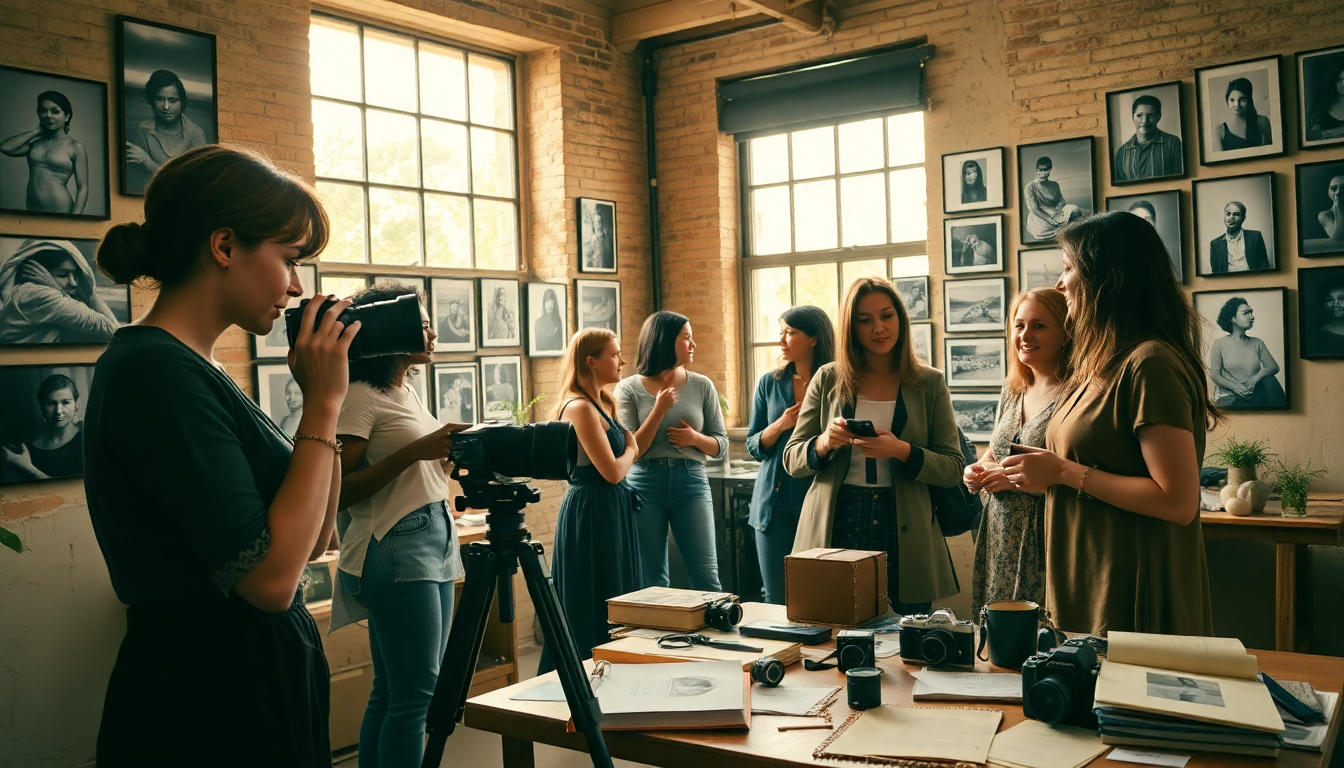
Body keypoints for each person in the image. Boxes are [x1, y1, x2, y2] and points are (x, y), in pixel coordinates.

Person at [83, 145, 348, 765]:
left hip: (246, 685)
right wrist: (323, 409)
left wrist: (329, 398)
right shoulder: (154, 371)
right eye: (288, 259)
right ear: (224, 246)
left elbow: (317, 540)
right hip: (208, 703)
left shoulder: (198, 367)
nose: (296, 286)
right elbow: (272, 582)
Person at [1000, 211, 1219, 636]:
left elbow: (1177, 501)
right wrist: (1042, 472)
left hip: (1133, 595)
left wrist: (1063, 471)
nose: (1060, 284)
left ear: (1108, 276)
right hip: (1082, 588)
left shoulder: (1150, 364)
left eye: (1068, 268)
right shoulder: (1098, 365)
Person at [330, 281, 467, 768]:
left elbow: (413, 469)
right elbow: (341, 489)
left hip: (433, 535)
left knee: (393, 691)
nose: (432, 333)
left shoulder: (404, 388)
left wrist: (445, 459)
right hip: (396, 544)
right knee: (416, 697)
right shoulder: (360, 397)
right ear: (391, 329)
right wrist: (420, 451)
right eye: (422, 323)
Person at [783, 278, 965, 614]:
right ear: (851, 328)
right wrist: (824, 443)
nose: (878, 328)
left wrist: (902, 450)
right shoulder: (828, 378)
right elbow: (792, 459)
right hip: (838, 518)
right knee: (832, 628)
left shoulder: (929, 382)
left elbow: (953, 467)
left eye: (886, 316)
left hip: (903, 523)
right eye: (864, 320)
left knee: (906, 636)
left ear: (901, 319)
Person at [540, 328, 642, 671]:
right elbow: (612, 471)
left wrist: (627, 454)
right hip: (592, 512)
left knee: (619, 593)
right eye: (614, 354)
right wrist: (632, 449)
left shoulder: (603, 402)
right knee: (593, 599)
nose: (622, 361)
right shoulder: (580, 407)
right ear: (591, 361)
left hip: (611, 509)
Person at [964, 289, 1068, 618]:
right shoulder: (1013, 389)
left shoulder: (1077, 392)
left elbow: (1075, 470)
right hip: (998, 534)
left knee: (1042, 636)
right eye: (1019, 325)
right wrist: (976, 470)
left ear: (1066, 331)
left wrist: (1012, 480)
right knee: (998, 640)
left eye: (1039, 326)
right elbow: (995, 454)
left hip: (1045, 536)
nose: (1025, 335)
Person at [615, 311, 728, 591]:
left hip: (691, 481)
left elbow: (721, 445)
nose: (693, 345)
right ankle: (653, 636)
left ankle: (711, 635)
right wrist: (659, 410)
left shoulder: (702, 385)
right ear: (666, 342)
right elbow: (633, 451)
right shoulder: (627, 389)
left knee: (707, 578)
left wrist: (694, 438)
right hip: (643, 485)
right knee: (651, 581)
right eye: (686, 338)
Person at [746, 306, 835, 604]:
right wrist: (781, 424)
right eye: (781, 332)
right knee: (776, 596)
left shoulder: (837, 381)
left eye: (789, 333)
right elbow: (753, 444)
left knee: (820, 593)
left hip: (821, 498)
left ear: (813, 338)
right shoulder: (770, 382)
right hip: (773, 500)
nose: (781, 340)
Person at [0, 239, 120, 344]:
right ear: (40, 272)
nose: (74, 283)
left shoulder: (26, 292)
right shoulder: (40, 295)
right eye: (62, 275)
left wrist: (56, 286)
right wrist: (88, 294)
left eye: (75, 274)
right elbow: (111, 329)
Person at [0, 91, 89, 214]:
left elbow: (82, 188)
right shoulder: (35, 144)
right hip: (33, 209)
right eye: (43, 110)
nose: (48, 115)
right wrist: (35, 132)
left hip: (61, 209)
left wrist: (75, 218)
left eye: (55, 111)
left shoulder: (75, 147)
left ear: (67, 116)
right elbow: (5, 148)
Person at [126, 70, 209, 190]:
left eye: (172, 100)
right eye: (159, 99)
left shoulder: (196, 133)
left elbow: (193, 181)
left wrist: (147, 161)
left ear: (182, 103)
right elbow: (141, 178)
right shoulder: (143, 129)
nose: (165, 107)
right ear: (151, 100)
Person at [1, 373, 85, 482]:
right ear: (42, 406)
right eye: (51, 403)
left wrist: (28, 468)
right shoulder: (27, 450)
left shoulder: (87, 438)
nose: (58, 411)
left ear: (76, 405)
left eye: (65, 402)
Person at [1207, 296, 1287, 409]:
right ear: (1232, 318)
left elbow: (1273, 367)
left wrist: (1255, 378)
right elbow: (1215, 374)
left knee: (1270, 380)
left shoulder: (1257, 343)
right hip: (1231, 395)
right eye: (1246, 313)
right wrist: (1235, 387)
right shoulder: (1219, 344)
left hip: (1254, 393)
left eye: (1251, 312)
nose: (1252, 317)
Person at [1112, 94, 1184, 181]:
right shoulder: (1122, 152)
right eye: (1139, 115)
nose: (1144, 121)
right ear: (1132, 117)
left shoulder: (1172, 143)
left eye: (1150, 115)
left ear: (1158, 117)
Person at [1023, 157, 1081, 241]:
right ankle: (1062, 230)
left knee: (1075, 209)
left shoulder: (1054, 185)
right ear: (1037, 170)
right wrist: (1051, 220)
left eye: (1046, 169)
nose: (1043, 172)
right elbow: (1034, 209)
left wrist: (1060, 210)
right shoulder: (1030, 187)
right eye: (1040, 170)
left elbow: (1061, 200)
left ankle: (1074, 237)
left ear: (1050, 169)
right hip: (1041, 217)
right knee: (1042, 229)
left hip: (1055, 212)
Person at [1209, 201, 1269, 273]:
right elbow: (1216, 271)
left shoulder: (1255, 237)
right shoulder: (1215, 243)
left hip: (1253, 279)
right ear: (1224, 217)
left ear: (1243, 218)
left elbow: (1264, 265)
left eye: (1236, 214)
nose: (1231, 217)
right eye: (1228, 214)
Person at [1124, 201, 1181, 277]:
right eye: (1137, 219)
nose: (1143, 224)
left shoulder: (1173, 249)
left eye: (1148, 219)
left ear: (1155, 222)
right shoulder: (1123, 251)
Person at [1218, 77, 1273, 150]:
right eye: (1232, 100)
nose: (1237, 105)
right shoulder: (1220, 131)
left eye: (1242, 100)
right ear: (1227, 101)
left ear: (1249, 101)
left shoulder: (1263, 121)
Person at [1306, 59, 1344, 142]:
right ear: (1333, 82)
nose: (1343, 84)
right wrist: (1335, 132)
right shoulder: (1321, 108)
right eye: (1340, 80)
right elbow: (1309, 136)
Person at [1309, 278, 1344, 356]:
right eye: (1330, 300)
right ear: (1325, 305)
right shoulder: (1319, 337)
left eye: (1341, 298)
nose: (1336, 303)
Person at [533, 287, 565, 351]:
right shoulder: (538, 323)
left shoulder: (558, 323)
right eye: (548, 302)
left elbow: (559, 346)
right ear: (544, 304)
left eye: (552, 303)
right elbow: (538, 346)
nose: (550, 305)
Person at [1317, 175, 1344, 242]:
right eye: (1333, 188)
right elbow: (1338, 236)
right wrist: (1338, 205)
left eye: (1343, 188)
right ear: (1329, 193)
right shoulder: (1324, 215)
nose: (1338, 192)